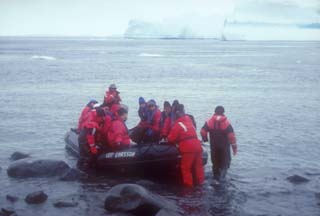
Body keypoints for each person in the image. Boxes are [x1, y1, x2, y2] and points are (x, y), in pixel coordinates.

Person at [167, 104, 204, 187]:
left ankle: (188, 188)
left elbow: (171, 138)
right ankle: (201, 184)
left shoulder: (178, 124)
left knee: (186, 168)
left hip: (188, 148)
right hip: (198, 146)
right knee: (199, 167)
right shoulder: (189, 121)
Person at [200, 106, 237, 181]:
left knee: (215, 163)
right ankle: (222, 179)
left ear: (215, 112)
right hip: (224, 147)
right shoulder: (226, 123)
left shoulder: (210, 121)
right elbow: (231, 136)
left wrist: (205, 139)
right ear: (223, 112)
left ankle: (215, 179)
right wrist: (234, 149)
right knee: (225, 163)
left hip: (214, 146)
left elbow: (202, 131)